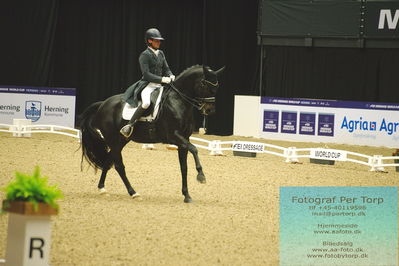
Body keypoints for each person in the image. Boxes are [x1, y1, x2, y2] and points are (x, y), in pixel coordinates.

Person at [120, 28, 175, 138]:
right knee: (146, 103)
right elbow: (146, 75)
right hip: (148, 85)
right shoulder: (144, 55)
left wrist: (171, 75)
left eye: (159, 41)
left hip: (160, 86)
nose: (159, 42)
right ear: (150, 41)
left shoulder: (161, 54)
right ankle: (129, 125)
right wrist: (162, 79)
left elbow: (166, 68)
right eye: (156, 40)